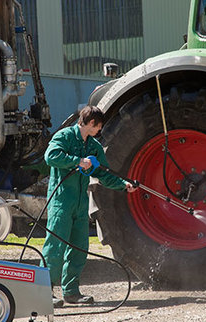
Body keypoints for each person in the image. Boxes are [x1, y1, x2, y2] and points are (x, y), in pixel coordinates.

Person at [42, 105, 137, 307]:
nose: (100, 131)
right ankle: (44, 291)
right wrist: (78, 161)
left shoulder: (93, 145)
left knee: (79, 247)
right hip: (61, 201)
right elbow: (50, 157)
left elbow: (103, 173)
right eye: (98, 127)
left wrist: (123, 185)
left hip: (80, 202)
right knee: (55, 247)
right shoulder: (64, 136)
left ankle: (71, 292)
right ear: (91, 123)